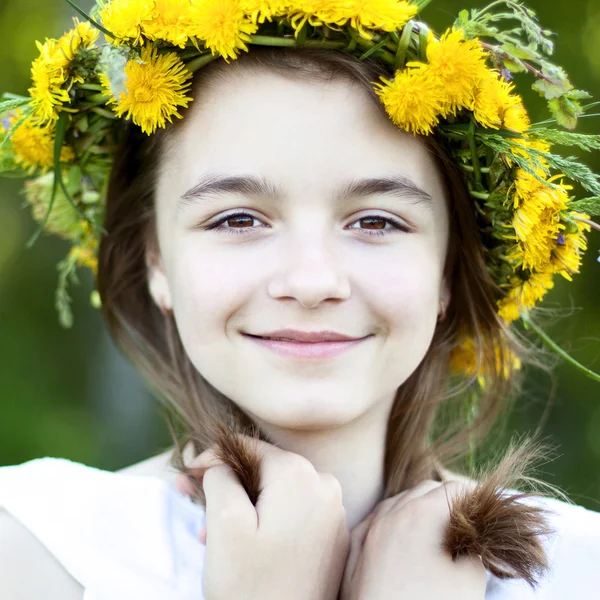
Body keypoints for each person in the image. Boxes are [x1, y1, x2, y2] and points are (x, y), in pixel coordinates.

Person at [1, 1, 600, 599]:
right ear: (156, 261)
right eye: (237, 220)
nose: (312, 282)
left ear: (447, 269)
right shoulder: (35, 548)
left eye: (376, 222)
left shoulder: (580, 569)